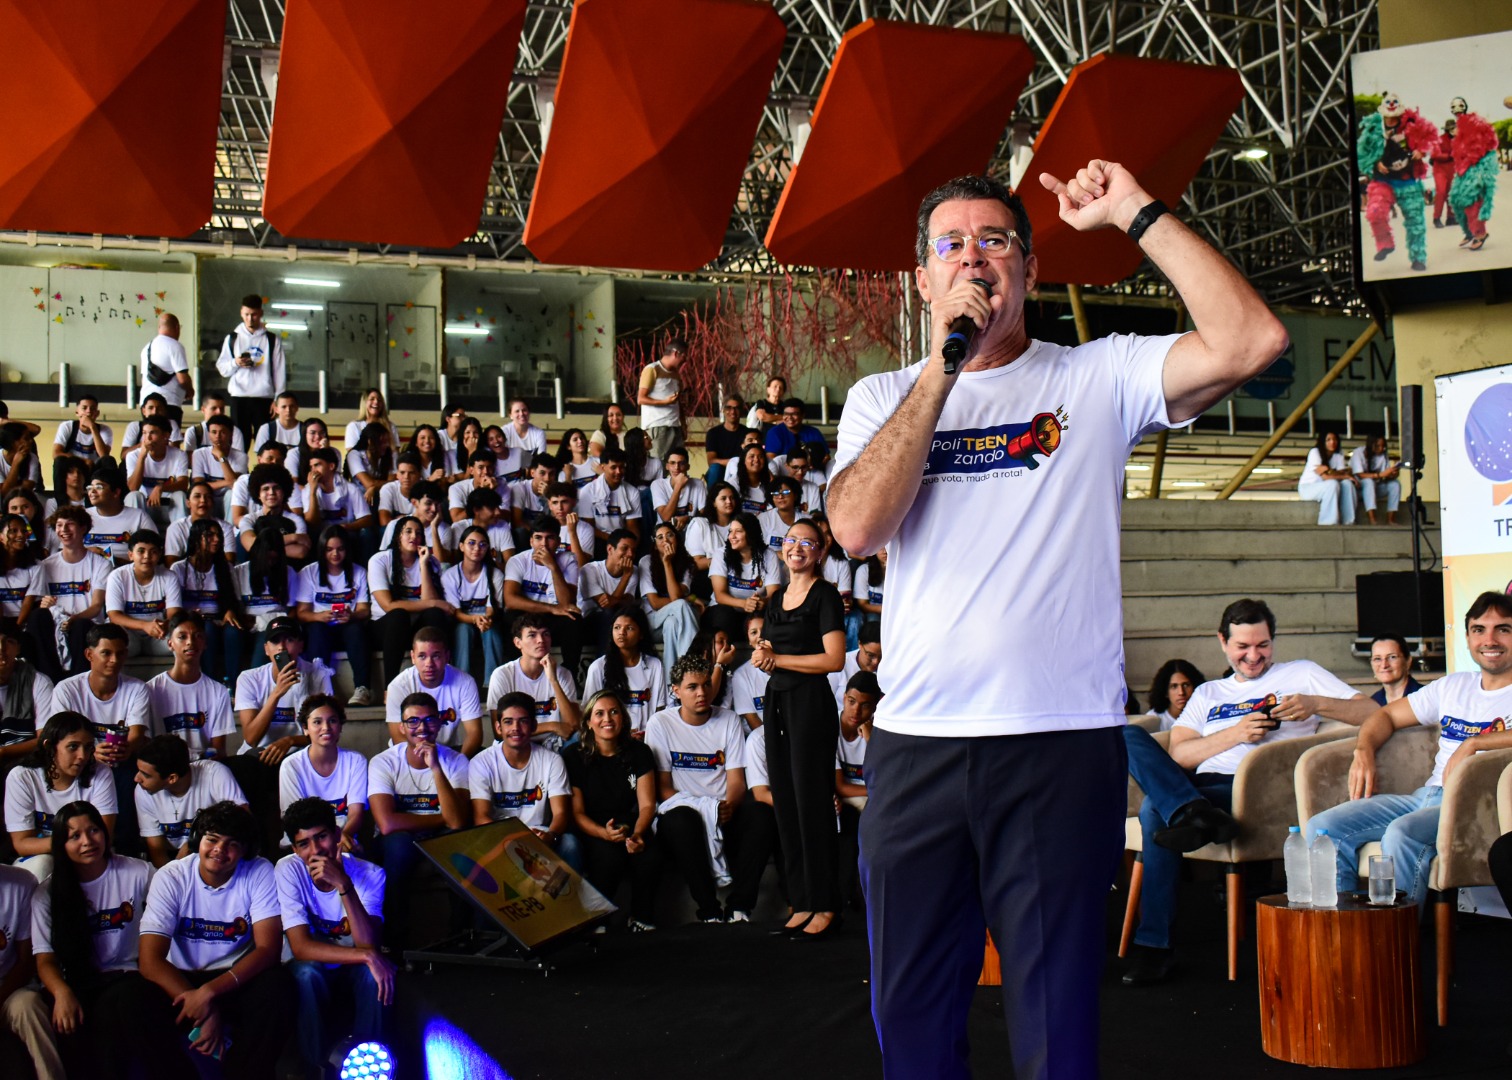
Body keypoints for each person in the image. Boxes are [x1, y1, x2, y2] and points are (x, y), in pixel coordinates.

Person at [824, 165, 1291, 1076]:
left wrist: (1133, 213)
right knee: (910, 1017)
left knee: (1056, 1022)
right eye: (950, 246)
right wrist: (946, 365)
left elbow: (1253, 338)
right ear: (922, 280)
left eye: (993, 241)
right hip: (918, 746)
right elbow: (856, 526)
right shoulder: (882, 399)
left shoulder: (1097, 375)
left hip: (1058, 745)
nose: (973, 259)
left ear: (1029, 269)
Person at [1123, 599, 1373, 984]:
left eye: (1263, 645)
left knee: (1154, 811)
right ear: (1223, 642)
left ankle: (1155, 948)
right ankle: (1192, 810)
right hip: (1200, 785)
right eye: (1242, 647)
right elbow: (1181, 754)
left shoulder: (1301, 673)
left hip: (1258, 791)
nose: (1254, 656)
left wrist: (1314, 704)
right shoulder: (1208, 693)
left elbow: (1373, 713)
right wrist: (1236, 734)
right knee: (1126, 735)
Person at [1307, 592, 1512, 908]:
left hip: (1475, 807)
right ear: (1468, 636)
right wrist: (1364, 750)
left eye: (1503, 629)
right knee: (1322, 829)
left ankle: (1392, 948)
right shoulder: (1453, 686)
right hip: (1425, 797)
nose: (1490, 639)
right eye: (1479, 629)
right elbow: (1385, 715)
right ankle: (1342, 941)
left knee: (1402, 833)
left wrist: (1475, 742)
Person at [29, 801, 194, 1080]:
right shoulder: (47, 894)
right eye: (74, 836)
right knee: (78, 1023)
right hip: (81, 983)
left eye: (94, 830)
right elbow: (45, 959)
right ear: (61, 844)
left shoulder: (138, 873)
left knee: (123, 1004)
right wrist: (61, 993)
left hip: (135, 977)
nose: (87, 841)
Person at [138, 800, 295, 1075]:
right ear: (198, 840)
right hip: (181, 980)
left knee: (279, 987)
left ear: (245, 849)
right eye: (212, 839)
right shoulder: (171, 877)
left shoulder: (259, 871)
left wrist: (210, 993)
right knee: (131, 998)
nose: (220, 850)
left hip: (234, 978)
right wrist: (203, 1008)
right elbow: (150, 960)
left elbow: (268, 949)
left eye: (232, 843)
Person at [752, 518, 846, 937]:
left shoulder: (824, 595)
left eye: (808, 542)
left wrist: (779, 661)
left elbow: (833, 660)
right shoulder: (776, 598)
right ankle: (801, 900)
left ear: (820, 553)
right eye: (792, 540)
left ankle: (825, 902)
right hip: (778, 702)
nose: (798, 547)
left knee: (812, 802)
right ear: (782, 548)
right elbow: (770, 645)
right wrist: (762, 652)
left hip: (810, 702)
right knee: (786, 801)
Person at [646, 655, 773, 924]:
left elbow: (737, 780)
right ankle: (709, 911)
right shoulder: (660, 723)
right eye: (692, 687)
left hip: (724, 809)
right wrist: (705, 808)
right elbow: (663, 789)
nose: (702, 692)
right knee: (682, 819)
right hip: (683, 814)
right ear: (676, 690)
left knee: (762, 814)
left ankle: (740, 908)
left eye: (706, 685)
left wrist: (726, 808)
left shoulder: (727, 719)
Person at [276, 797, 391, 1072]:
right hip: (312, 965)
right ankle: (314, 1071)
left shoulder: (372, 874)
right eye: (304, 844)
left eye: (322, 837)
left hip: (352, 966)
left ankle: (368, 1068)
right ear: (294, 848)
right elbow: (301, 947)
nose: (316, 850)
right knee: (307, 974)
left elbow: (368, 942)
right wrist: (367, 956)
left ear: (338, 834)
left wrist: (343, 884)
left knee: (372, 976)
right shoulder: (288, 870)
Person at [367, 693, 469, 939]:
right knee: (400, 845)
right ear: (401, 727)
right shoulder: (384, 763)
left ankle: (463, 936)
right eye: (413, 721)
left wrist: (435, 767)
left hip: (440, 836)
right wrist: (440, 818)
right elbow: (387, 823)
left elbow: (457, 822)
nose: (422, 728)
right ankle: (396, 939)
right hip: (399, 840)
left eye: (429, 720)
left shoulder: (455, 761)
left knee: (460, 846)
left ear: (440, 723)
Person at [230, 616, 334, 846]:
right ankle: (258, 845)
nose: (282, 647)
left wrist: (289, 741)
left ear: (300, 645)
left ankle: (292, 843)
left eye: (289, 639)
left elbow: (328, 730)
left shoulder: (317, 674)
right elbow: (251, 736)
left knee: (297, 763)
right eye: (275, 641)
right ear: (267, 649)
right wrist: (277, 693)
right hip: (259, 755)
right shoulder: (249, 678)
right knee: (247, 765)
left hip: (299, 752)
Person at [567, 689, 660, 930]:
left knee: (647, 854)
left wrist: (638, 834)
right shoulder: (574, 756)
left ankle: (642, 920)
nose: (607, 719)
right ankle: (598, 921)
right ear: (588, 722)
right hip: (592, 827)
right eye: (599, 714)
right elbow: (576, 813)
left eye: (613, 712)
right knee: (608, 856)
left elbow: (647, 804)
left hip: (631, 823)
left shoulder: (640, 752)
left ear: (623, 718)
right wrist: (603, 833)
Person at [5, 712, 117, 880]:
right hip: (42, 857)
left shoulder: (101, 773)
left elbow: (103, 838)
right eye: (73, 747)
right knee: (43, 865)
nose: (83, 756)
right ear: (49, 746)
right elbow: (22, 844)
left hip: (89, 855)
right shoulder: (22, 777)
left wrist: (70, 841)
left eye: (88, 747)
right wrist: (72, 842)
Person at [19, 507, 111, 680]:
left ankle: (78, 682)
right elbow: (40, 602)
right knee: (38, 616)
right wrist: (44, 605)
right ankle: (49, 679)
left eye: (70, 525)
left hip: (85, 626)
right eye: (60, 526)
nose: (64, 530)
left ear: (83, 528)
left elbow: (97, 605)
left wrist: (73, 618)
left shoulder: (100, 564)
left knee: (81, 625)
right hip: (54, 627)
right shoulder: (46, 565)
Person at [468, 692, 572, 842]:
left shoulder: (552, 760)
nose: (515, 728)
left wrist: (551, 835)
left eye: (523, 721)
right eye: (508, 722)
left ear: (534, 726)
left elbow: (561, 813)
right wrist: (513, 839)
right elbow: (481, 817)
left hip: (540, 836)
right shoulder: (481, 763)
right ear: (498, 727)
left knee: (570, 844)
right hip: (499, 836)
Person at [133, 734, 247, 867]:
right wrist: (172, 877)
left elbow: (242, 819)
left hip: (217, 855)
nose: (137, 778)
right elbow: (157, 852)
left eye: (146, 775)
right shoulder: (143, 790)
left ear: (172, 778)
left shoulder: (214, 773)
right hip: (175, 860)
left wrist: (194, 840)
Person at [294, 524, 373, 705]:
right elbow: (302, 613)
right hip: (320, 627)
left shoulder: (359, 572)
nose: (335, 554)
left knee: (356, 629)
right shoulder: (309, 572)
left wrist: (351, 615)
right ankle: (318, 688)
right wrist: (319, 616)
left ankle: (362, 688)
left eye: (340, 549)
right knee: (316, 629)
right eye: (329, 549)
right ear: (322, 550)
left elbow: (364, 610)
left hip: (347, 626)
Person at [278, 695, 369, 853]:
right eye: (317, 722)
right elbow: (295, 820)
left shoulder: (356, 761)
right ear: (305, 728)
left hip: (343, 840)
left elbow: (356, 813)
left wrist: (343, 835)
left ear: (340, 726)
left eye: (332, 721)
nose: (326, 727)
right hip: (303, 843)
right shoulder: (291, 765)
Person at [367, 514, 452, 683]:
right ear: (398, 535)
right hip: (385, 628)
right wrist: (435, 602)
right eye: (408, 531)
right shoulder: (380, 560)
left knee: (435, 614)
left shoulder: (430, 561)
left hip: (415, 629)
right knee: (399, 615)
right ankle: (389, 687)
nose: (414, 536)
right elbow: (388, 606)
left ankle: (437, 680)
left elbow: (430, 606)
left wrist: (423, 565)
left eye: (419, 533)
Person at [1356, 92, 1435, 272]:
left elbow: (1430, 139)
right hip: (1382, 180)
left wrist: (1421, 151)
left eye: (1395, 114)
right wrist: (1375, 163)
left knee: (1415, 222)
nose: (1391, 118)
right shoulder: (1373, 129)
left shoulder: (1412, 125)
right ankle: (1385, 244)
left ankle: (1418, 258)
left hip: (1408, 181)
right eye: (1388, 114)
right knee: (1374, 212)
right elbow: (1362, 153)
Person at [147, 612, 237, 763]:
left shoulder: (218, 691)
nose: (190, 642)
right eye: (182, 637)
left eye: (198, 636)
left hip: (205, 768)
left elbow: (219, 751)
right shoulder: (151, 689)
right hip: (163, 769)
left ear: (205, 643)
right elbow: (147, 748)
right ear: (170, 643)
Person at [486, 614, 581, 753]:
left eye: (545, 634)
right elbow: (499, 733)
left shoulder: (563, 674)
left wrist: (553, 680)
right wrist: (552, 726)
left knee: (579, 739)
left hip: (553, 743)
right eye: (532, 635)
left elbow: (573, 725)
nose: (541, 640)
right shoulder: (502, 675)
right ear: (518, 643)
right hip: (517, 743)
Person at [502, 515, 583, 674]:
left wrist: (553, 567)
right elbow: (510, 600)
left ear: (558, 542)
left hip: (553, 618)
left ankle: (570, 674)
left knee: (573, 617)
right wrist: (551, 608)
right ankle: (513, 673)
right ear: (531, 541)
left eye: (549, 538)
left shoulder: (568, 560)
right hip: (528, 614)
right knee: (509, 617)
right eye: (538, 538)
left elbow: (567, 602)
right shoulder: (518, 560)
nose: (544, 544)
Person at [383, 627, 483, 756]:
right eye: (422, 656)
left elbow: (474, 734)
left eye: (435, 656)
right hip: (408, 754)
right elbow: (398, 738)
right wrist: (429, 766)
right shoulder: (398, 686)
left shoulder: (465, 682)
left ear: (447, 656)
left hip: (448, 751)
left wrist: (458, 765)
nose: (429, 663)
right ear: (413, 657)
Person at [169, 517, 243, 683]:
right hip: (191, 621)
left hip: (218, 619)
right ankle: (209, 682)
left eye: (218, 536)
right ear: (196, 538)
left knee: (234, 632)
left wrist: (230, 610)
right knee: (206, 630)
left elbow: (235, 601)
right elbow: (174, 607)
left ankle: (234, 685)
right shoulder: (179, 568)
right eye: (209, 535)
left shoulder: (226, 568)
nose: (216, 540)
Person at [835, 671, 882, 910]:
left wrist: (870, 739)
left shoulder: (878, 733)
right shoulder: (830, 727)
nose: (856, 711)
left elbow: (884, 779)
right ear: (843, 698)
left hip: (868, 798)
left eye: (865, 706)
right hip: (842, 800)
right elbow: (840, 786)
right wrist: (876, 790)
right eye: (851, 702)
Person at [215, 294, 288, 446]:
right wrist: (236, 362)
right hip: (239, 397)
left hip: (264, 399)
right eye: (247, 314)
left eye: (254, 315)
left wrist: (278, 399)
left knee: (266, 443)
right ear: (241, 312)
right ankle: (239, 470)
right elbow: (223, 369)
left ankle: (264, 469)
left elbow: (279, 371)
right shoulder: (232, 338)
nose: (250, 319)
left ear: (260, 313)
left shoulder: (271, 340)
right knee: (238, 444)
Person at [581, 609, 667, 736]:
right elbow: (589, 711)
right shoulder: (598, 667)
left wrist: (648, 735)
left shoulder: (654, 665)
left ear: (641, 634)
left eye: (629, 628)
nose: (621, 632)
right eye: (617, 627)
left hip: (646, 737)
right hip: (610, 737)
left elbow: (660, 709)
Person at [441, 525, 507, 683]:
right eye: (471, 543)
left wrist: (483, 620)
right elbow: (455, 612)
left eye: (483, 544)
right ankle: (461, 681)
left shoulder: (494, 574)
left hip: (486, 618)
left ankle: (493, 684)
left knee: (491, 631)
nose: (477, 548)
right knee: (463, 630)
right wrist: (474, 620)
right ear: (461, 546)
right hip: (462, 620)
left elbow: (492, 609)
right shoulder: (450, 575)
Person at [104, 530, 182, 656]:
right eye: (141, 551)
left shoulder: (169, 576)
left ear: (160, 554)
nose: (147, 556)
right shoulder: (117, 576)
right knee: (114, 641)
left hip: (159, 634)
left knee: (182, 640)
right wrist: (145, 626)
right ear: (130, 555)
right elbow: (114, 616)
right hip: (128, 633)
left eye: (153, 552)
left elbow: (173, 614)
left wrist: (164, 625)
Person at [639, 522, 702, 672]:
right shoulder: (646, 562)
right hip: (652, 622)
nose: (665, 540)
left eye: (669, 535)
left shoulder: (688, 564)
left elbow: (674, 596)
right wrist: (688, 599)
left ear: (677, 539)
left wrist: (667, 563)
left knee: (672, 623)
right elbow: (655, 603)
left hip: (675, 621)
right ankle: (692, 665)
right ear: (655, 545)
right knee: (681, 605)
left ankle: (672, 682)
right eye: (660, 537)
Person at [707, 511, 779, 641]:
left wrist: (763, 602)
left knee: (772, 612)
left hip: (754, 611)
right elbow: (719, 595)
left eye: (738, 531)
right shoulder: (721, 554)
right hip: (725, 610)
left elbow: (774, 593)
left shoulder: (769, 556)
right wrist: (744, 603)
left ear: (751, 533)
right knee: (724, 615)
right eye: (730, 531)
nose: (732, 536)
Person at [0, 624, 54, 791]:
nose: (1, 649)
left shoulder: (38, 682)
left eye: (8, 642)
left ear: (18, 648)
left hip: (24, 758)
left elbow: (45, 738)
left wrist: (4, 752)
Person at [1445, 96, 1496, 252]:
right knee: (1455, 200)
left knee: (1471, 200)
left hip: (1476, 165)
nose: (1457, 109)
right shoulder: (1459, 126)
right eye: (1453, 107)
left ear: (1465, 107)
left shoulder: (1473, 121)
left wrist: (1474, 161)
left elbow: (1485, 143)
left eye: (1459, 106)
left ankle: (1480, 233)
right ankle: (1469, 232)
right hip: (1463, 168)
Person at [579, 528, 641, 656]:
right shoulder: (590, 569)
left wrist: (627, 576)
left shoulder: (633, 571)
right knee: (609, 613)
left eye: (633, 550)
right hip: (588, 623)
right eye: (624, 548)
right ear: (610, 549)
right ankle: (604, 663)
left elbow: (627, 603)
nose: (630, 554)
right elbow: (607, 605)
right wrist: (626, 576)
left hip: (616, 623)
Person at [124, 416, 189, 526]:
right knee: (133, 496)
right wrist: (142, 458)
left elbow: (183, 484)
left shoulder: (179, 455)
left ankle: (181, 535)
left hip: (169, 508)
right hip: (144, 507)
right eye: (144, 433)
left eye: (153, 433)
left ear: (166, 435)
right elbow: (132, 487)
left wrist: (160, 488)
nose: (147, 438)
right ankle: (136, 539)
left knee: (179, 495)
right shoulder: (133, 455)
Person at [84, 466, 154, 564]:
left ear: (116, 492)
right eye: (90, 488)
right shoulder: (82, 516)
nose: (92, 491)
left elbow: (154, 555)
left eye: (99, 487)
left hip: (126, 573)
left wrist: (113, 561)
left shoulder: (139, 516)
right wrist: (85, 552)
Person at [579, 447, 642, 547]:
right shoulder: (587, 491)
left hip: (622, 541)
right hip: (597, 540)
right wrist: (613, 540)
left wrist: (632, 546)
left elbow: (632, 526)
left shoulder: (632, 492)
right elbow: (589, 526)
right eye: (613, 467)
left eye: (621, 467)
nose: (618, 472)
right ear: (603, 467)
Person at [188, 416, 248, 518]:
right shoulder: (199, 454)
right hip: (207, 497)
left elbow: (235, 485)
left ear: (231, 434)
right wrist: (227, 482)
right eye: (214, 432)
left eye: (223, 432)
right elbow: (198, 485)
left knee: (231, 494)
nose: (218, 436)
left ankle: (232, 531)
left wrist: (221, 457)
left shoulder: (241, 456)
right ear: (208, 434)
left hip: (227, 499)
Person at [1298, 431, 1358, 526]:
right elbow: (1326, 477)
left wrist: (1345, 476)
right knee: (1332, 483)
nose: (1332, 442)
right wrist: (1345, 475)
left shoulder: (1338, 454)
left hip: (1326, 488)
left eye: (1334, 439)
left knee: (1347, 483)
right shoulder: (1315, 452)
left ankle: (1349, 522)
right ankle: (1328, 522)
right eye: (1328, 440)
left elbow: (1341, 473)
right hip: (1308, 488)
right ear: (1323, 442)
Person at [763, 398, 829, 473]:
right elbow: (771, 458)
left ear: (802, 415)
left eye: (794, 414)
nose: (790, 418)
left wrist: (814, 465)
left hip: (811, 471)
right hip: (784, 473)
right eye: (786, 414)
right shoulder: (774, 432)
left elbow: (826, 456)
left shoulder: (813, 432)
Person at [686, 481, 736, 577]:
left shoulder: (741, 524)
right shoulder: (700, 525)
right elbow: (696, 563)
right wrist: (726, 561)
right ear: (714, 503)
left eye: (732, 498)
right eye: (723, 498)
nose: (729, 501)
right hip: (707, 579)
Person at [51, 394, 113, 471]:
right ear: (77, 412)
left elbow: (104, 456)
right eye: (84, 408)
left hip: (94, 469)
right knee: (59, 461)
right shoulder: (67, 426)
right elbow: (56, 453)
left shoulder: (105, 430)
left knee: (110, 462)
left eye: (92, 408)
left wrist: (93, 428)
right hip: (72, 467)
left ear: (97, 413)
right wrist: (83, 461)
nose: (89, 411)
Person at [1349, 435, 1401, 526]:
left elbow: (1385, 475)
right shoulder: (1359, 452)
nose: (1380, 449)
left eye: (1383, 446)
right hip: (1359, 490)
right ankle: (1372, 518)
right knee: (1369, 481)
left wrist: (1393, 474)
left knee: (1395, 484)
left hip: (1376, 488)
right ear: (1370, 445)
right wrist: (1379, 475)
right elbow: (1360, 474)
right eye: (1377, 446)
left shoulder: (1383, 455)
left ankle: (1391, 519)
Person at [1144, 659, 1206, 731]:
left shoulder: (1205, 715)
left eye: (1186, 685)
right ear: (1165, 691)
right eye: (1174, 686)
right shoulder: (1154, 719)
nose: (1181, 692)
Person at [180, 392, 246, 457]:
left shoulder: (235, 432)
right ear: (203, 409)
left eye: (221, 409)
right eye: (214, 408)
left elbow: (239, 458)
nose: (219, 412)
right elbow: (190, 460)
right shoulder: (193, 431)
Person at [704, 397, 750, 491]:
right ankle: (712, 500)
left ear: (741, 411)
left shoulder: (747, 433)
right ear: (723, 410)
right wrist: (733, 462)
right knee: (715, 468)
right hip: (720, 471)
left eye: (736, 408)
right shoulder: (713, 433)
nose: (733, 411)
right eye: (729, 408)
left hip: (741, 471)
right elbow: (711, 461)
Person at [1368, 633, 1422, 705]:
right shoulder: (1373, 703)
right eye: (1377, 659)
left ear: (1408, 661)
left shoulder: (1424, 697)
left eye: (1392, 657)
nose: (1384, 665)